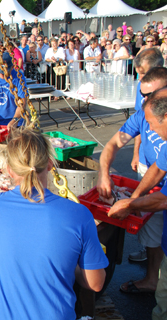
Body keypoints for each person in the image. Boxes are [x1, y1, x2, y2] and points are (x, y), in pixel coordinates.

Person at [0, 128, 108, 320]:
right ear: (50, 164)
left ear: (9, 169)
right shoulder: (79, 215)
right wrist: (68, 261)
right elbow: (95, 283)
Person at [98, 67, 167, 296]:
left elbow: (163, 199)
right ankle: (156, 278)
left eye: (150, 96)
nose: (144, 101)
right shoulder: (146, 115)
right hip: (153, 186)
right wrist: (134, 196)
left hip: (161, 196)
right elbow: (159, 167)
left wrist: (129, 204)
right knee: (156, 235)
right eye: (143, 95)